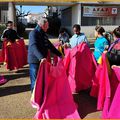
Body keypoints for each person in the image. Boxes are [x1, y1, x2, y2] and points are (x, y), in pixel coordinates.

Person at [28, 17, 62, 92]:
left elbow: (50, 45)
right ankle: (35, 100)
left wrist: (59, 54)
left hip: (42, 60)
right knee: (35, 81)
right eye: (47, 25)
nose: (48, 27)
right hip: (35, 61)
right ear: (42, 26)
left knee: (42, 80)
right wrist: (41, 57)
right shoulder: (33, 33)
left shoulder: (43, 34)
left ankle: (40, 97)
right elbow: (33, 46)